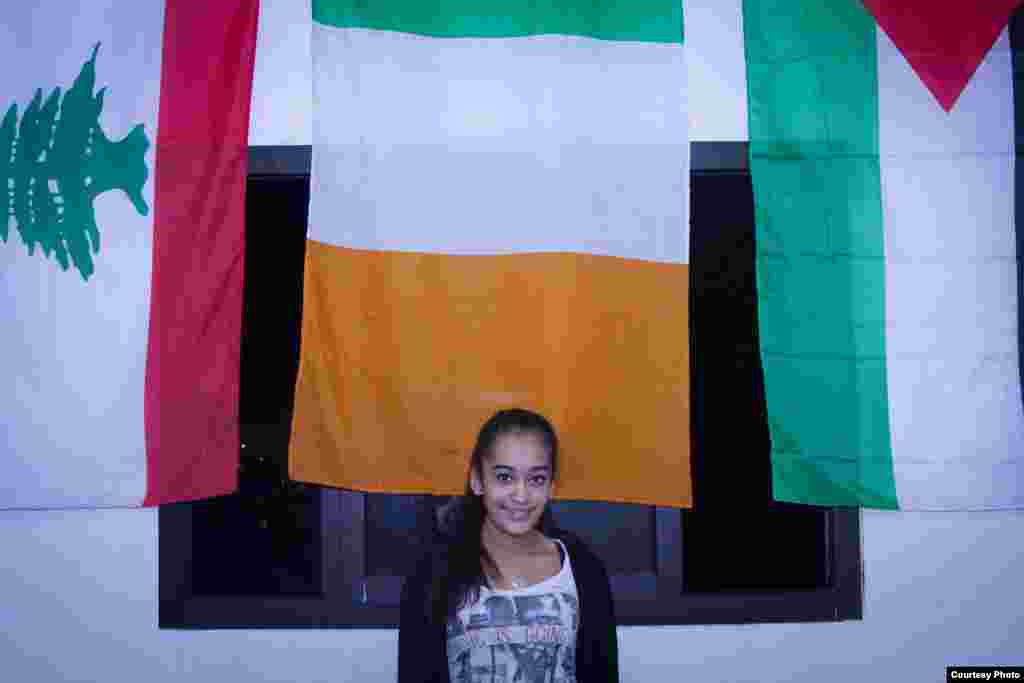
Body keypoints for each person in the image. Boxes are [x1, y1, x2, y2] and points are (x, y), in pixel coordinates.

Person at [398, 408, 619, 683]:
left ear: (552, 486)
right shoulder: (433, 573)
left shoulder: (583, 569)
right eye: (504, 477)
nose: (521, 495)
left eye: (536, 479)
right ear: (477, 480)